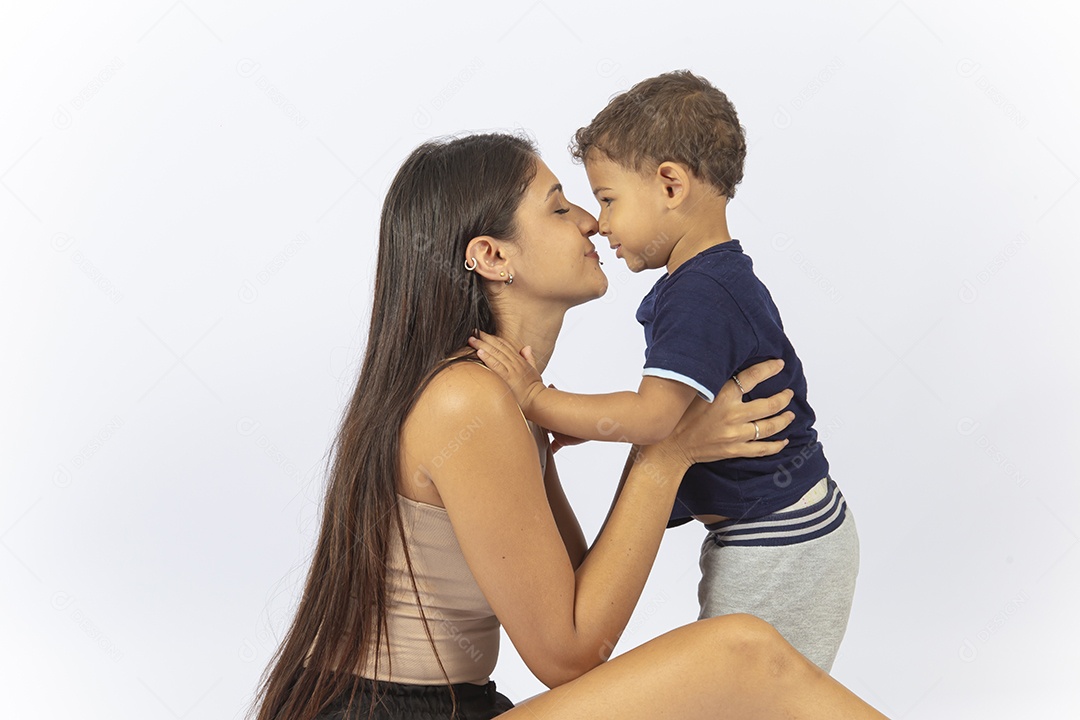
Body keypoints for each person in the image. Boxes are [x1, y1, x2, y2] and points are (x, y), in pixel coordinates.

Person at [249, 132, 887, 719]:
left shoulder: (500, 399)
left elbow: (581, 607)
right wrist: (667, 453)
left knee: (741, 664)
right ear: (493, 256)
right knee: (744, 652)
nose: (591, 220)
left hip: (458, 706)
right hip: (389, 714)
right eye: (559, 208)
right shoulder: (464, 400)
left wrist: (588, 443)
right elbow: (570, 657)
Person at [468, 70, 859, 673]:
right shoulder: (710, 280)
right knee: (746, 694)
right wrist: (591, 423)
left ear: (670, 185)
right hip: (777, 531)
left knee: (749, 698)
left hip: (781, 539)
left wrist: (536, 397)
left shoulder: (699, 291)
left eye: (606, 199)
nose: (598, 222)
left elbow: (653, 416)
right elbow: (666, 417)